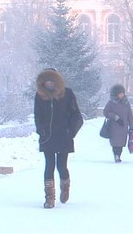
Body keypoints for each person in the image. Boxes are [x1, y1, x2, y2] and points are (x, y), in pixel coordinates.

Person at [34, 68, 83, 209]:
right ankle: (49, 198)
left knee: (62, 166)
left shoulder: (67, 94)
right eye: (47, 81)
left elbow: (77, 116)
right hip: (47, 137)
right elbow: (37, 116)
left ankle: (65, 186)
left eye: (52, 81)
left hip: (63, 136)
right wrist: (41, 131)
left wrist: (70, 131)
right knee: (49, 165)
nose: (49, 84)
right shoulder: (40, 96)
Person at [103, 84, 133, 163]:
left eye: (123, 93)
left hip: (123, 126)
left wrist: (132, 125)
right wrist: (114, 117)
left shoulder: (126, 103)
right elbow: (106, 112)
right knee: (115, 142)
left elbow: (129, 114)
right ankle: (116, 155)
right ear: (116, 93)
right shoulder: (111, 103)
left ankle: (119, 155)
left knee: (121, 143)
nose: (122, 94)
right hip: (114, 126)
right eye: (120, 93)